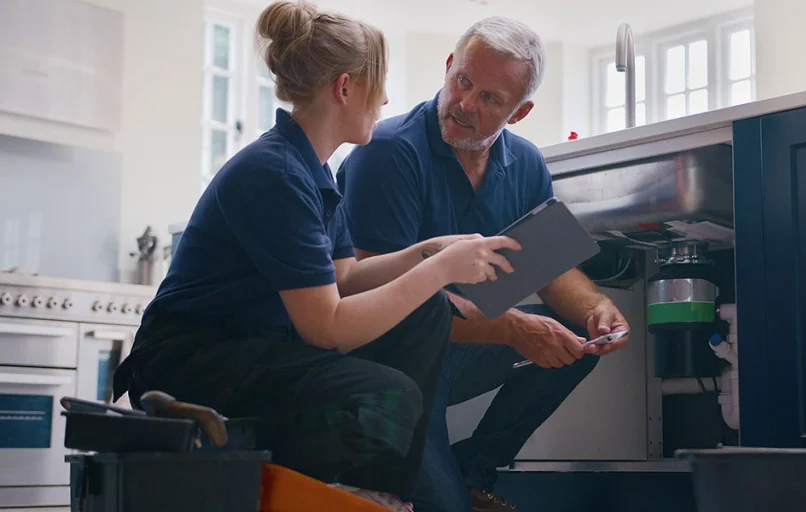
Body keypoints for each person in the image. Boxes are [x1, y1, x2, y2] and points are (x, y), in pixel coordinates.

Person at [110, 2, 521, 510]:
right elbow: (326, 328)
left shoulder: (313, 168)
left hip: (253, 347)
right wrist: (440, 270)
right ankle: (359, 493)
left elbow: (345, 277)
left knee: (427, 312)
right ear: (345, 88)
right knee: (385, 393)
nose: (385, 98)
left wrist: (428, 252)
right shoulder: (276, 174)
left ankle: (376, 492)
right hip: (192, 361)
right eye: (379, 84)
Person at [337, 17, 631, 512]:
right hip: (391, 366)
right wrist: (512, 328)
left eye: (490, 98)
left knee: (576, 341)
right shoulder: (388, 151)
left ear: (520, 112)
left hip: (454, 351)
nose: (465, 104)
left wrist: (595, 309)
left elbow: (550, 268)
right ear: (449, 66)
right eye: (463, 81)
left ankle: (474, 472)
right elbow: (375, 304)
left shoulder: (526, 163)